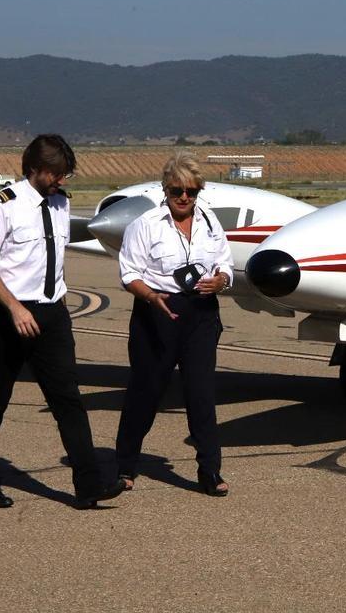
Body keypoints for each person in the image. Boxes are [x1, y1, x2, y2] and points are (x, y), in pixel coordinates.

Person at [0, 134, 126, 509]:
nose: (62, 181)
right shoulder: (3, 204)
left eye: (65, 174)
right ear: (35, 169)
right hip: (10, 314)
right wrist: (15, 308)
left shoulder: (60, 204)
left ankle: (88, 486)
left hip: (53, 315)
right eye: (56, 174)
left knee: (68, 400)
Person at [114, 152, 233, 496]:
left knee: (201, 394)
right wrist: (151, 297)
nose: (184, 197)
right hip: (158, 311)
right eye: (177, 190)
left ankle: (209, 470)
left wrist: (221, 281)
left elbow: (225, 263)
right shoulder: (146, 225)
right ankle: (125, 465)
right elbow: (129, 274)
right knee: (146, 392)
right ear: (165, 190)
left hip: (201, 313)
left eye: (192, 191)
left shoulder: (210, 222)